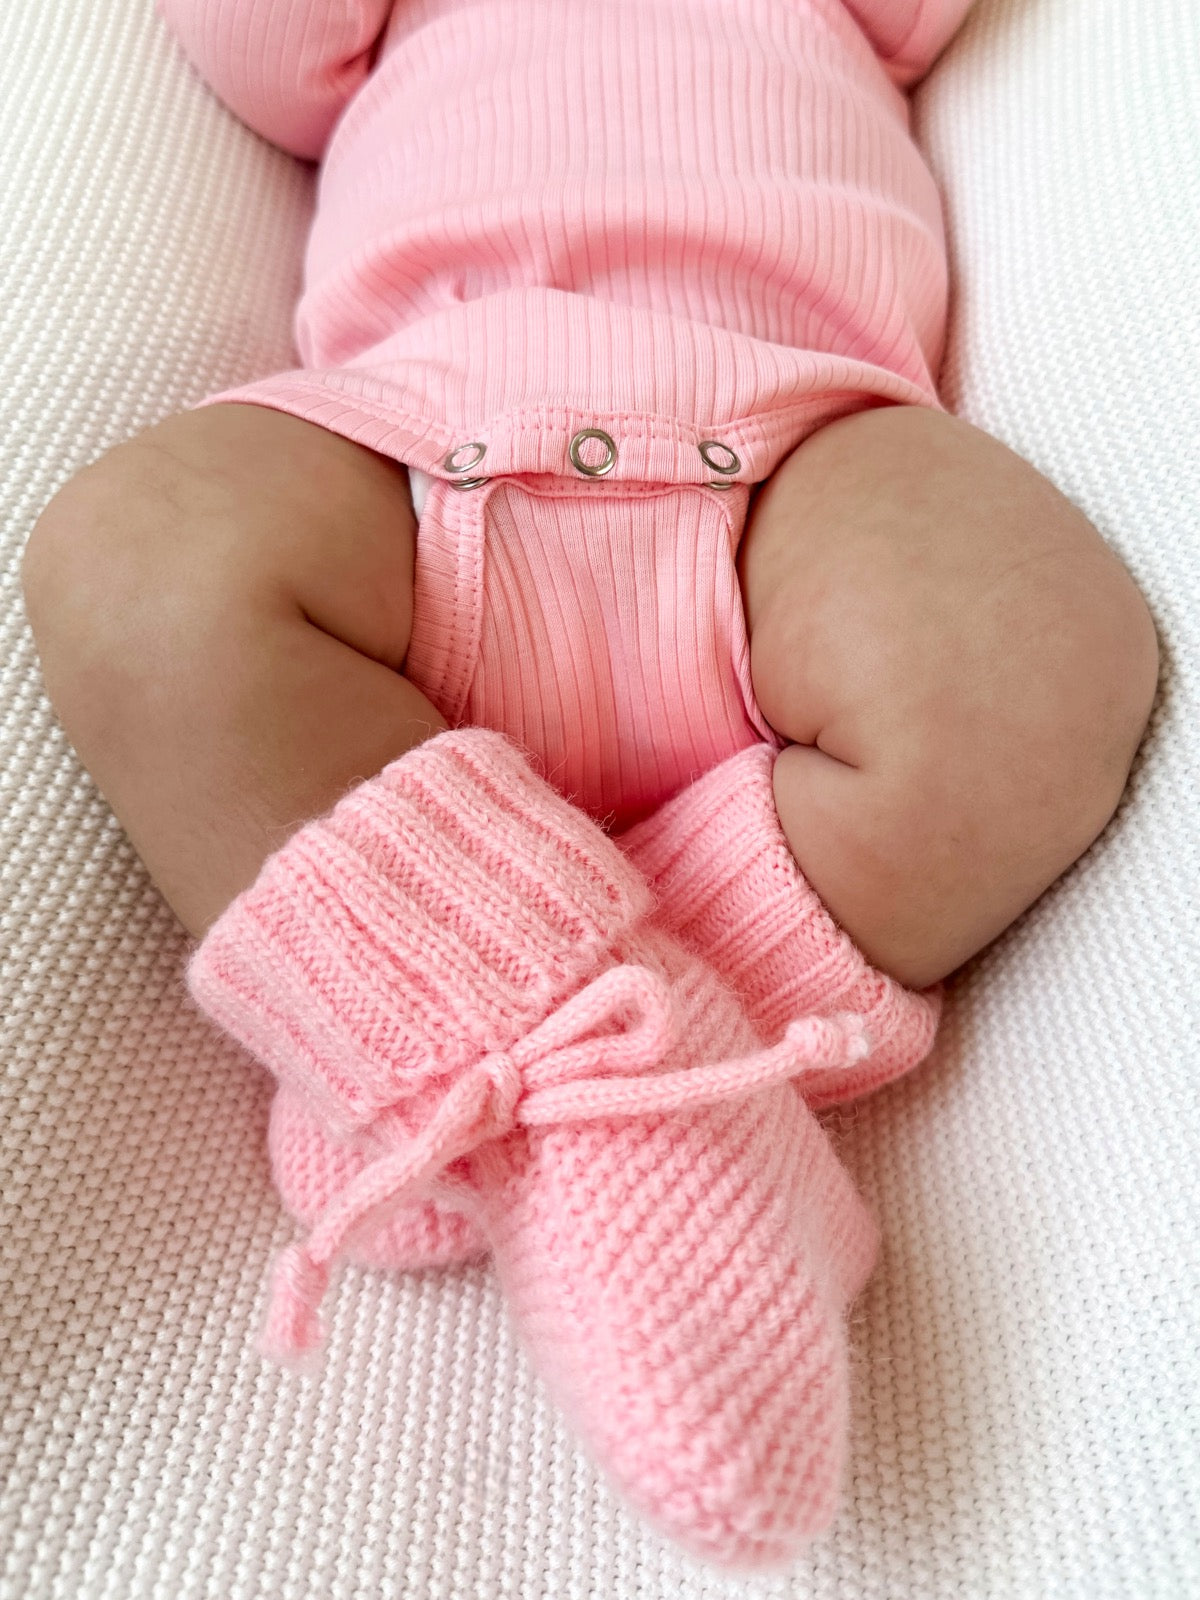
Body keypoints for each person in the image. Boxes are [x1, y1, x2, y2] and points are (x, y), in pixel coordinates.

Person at [19, 0, 1159, 1570]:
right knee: (137, 561)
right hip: (412, 457)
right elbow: (262, 56)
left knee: (1032, 651)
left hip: (797, 455)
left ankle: (496, 1046)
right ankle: (617, 1084)